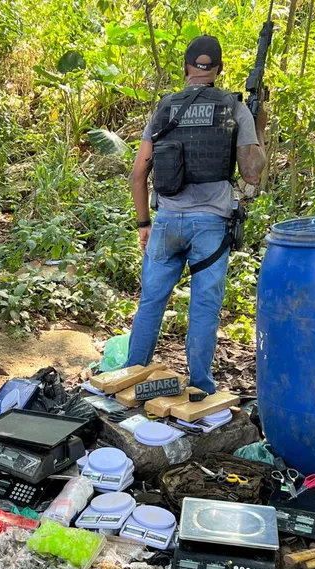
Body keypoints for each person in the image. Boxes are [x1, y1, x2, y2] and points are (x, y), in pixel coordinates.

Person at [127, 35, 267, 395]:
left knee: (151, 304)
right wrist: (259, 125)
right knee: (204, 308)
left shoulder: (164, 108)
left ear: (186, 67)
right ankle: (200, 386)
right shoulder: (234, 108)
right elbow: (252, 172)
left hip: (167, 221)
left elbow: (138, 174)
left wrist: (144, 224)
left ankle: (129, 376)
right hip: (211, 226)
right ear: (219, 69)